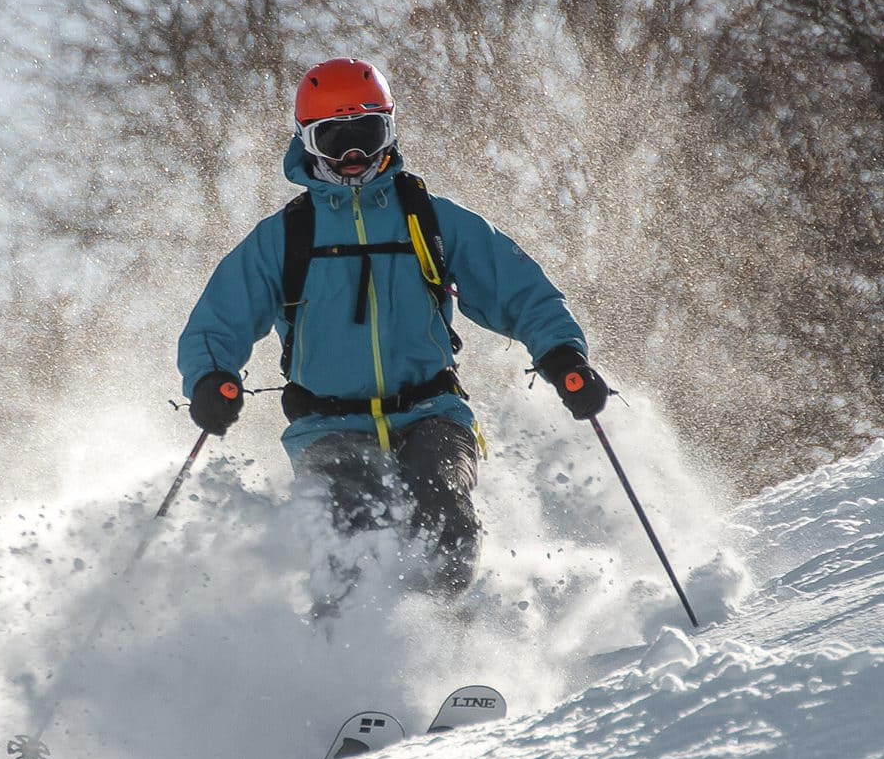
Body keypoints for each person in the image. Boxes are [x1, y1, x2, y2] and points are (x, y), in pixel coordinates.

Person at [177, 57, 608, 612]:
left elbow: (520, 290)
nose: (353, 156)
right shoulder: (286, 236)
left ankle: (440, 644)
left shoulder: (430, 219)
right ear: (307, 142)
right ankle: (344, 666)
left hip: (432, 414)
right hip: (328, 426)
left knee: (443, 521)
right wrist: (210, 378)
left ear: (390, 129)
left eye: (367, 134)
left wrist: (562, 356)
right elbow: (218, 319)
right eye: (334, 139)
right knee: (347, 531)